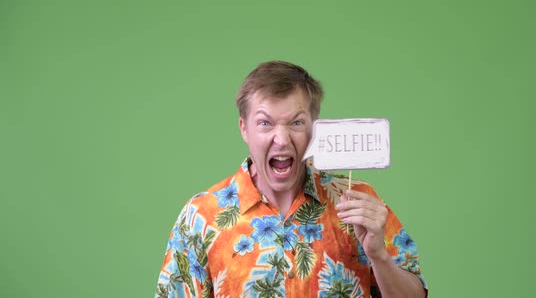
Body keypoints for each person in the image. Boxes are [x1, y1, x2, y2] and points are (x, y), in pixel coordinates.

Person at [155, 61, 428, 297]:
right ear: (244, 128)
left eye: (296, 123)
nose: (282, 139)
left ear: (314, 126)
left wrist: (378, 256)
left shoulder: (357, 201)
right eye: (265, 123)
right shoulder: (201, 217)